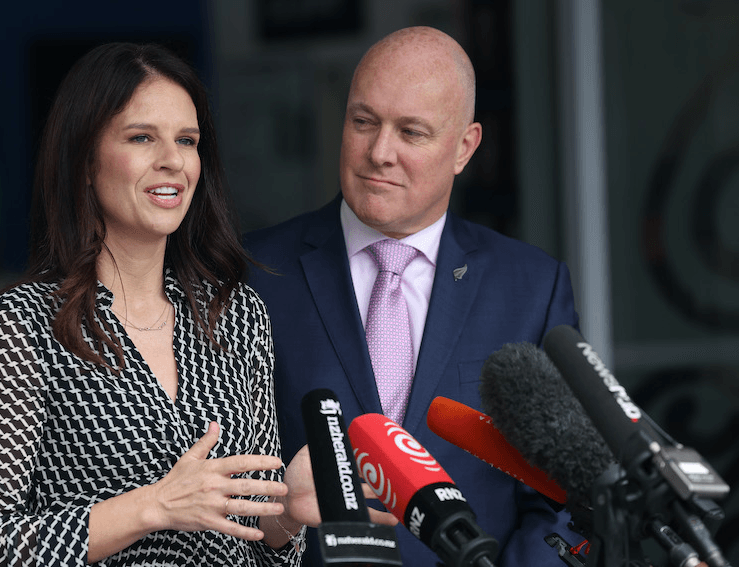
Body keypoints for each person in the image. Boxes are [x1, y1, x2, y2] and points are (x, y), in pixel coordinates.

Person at [0, 42, 339, 567]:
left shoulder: (238, 315)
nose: (173, 161)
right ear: (84, 161)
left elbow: (262, 548)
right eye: (141, 137)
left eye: (186, 140)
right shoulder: (20, 325)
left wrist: (286, 513)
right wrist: (154, 505)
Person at [245, 26, 583, 566]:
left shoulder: (530, 288)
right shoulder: (250, 273)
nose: (380, 152)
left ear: (464, 147)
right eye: (363, 122)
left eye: (412, 132)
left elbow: (563, 500)